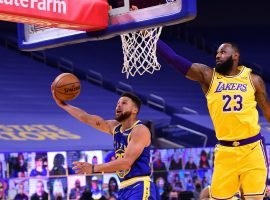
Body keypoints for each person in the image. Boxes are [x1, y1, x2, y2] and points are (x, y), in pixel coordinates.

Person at [157, 40, 270, 199]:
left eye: (223, 52)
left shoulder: (253, 80)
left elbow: (267, 111)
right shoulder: (209, 76)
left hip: (252, 149)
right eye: (217, 52)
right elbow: (174, 58)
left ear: (235, 56)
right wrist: (154, 40)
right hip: (225, 151)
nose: (218, 55)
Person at [51, 89, 156, 199]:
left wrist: (93, 168)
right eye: (117, 104)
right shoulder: (115, 127)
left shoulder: (140, 130)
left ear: (135, 110)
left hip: (140, 185)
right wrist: (63, 105)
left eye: (124, 103)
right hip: (124, 188)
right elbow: (86, 117)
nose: (118, 106)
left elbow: (126, 163)